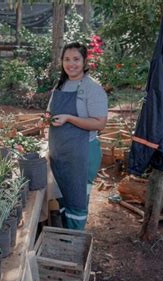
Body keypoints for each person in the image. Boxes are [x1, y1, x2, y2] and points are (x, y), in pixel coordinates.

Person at [45, 42, 108, 230]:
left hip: (82, 154)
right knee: (63, 199)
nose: (71, 64)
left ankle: (74, 243)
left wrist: (69, 118)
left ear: (84, 61)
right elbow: (50, 112)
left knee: (77, 201)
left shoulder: (92, 88)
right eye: (66, 59)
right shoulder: (61, 84)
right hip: (61, 154)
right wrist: (46, 119)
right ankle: (65, 237)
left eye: (76, 59)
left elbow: (100, 123)